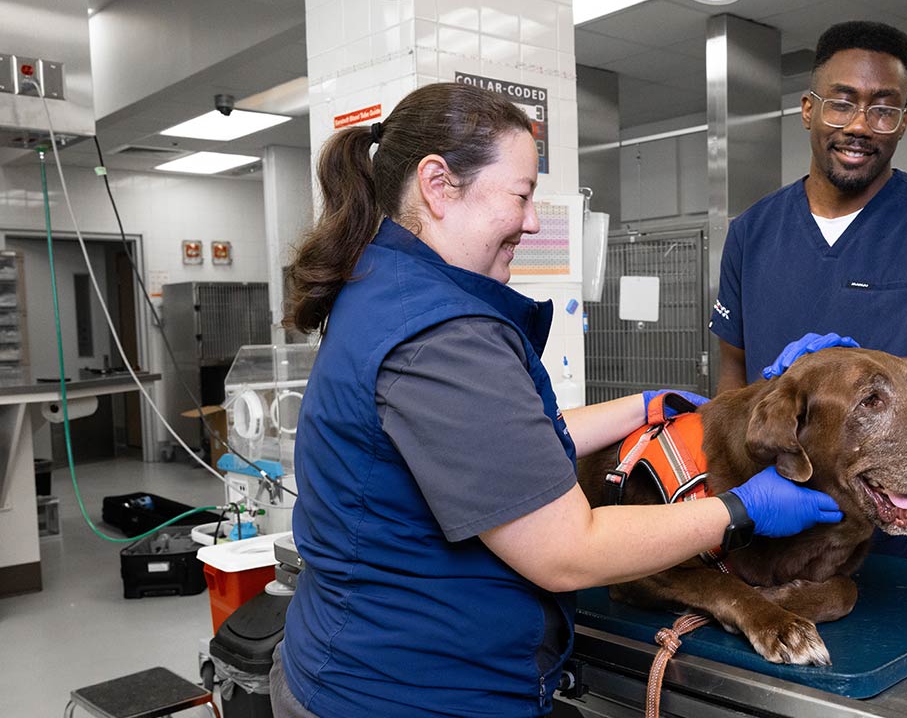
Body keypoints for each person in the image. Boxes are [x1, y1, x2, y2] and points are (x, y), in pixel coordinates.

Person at [271, 83, 844, 718]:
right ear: (437, 185)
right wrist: (742, 509)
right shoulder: (440, 338)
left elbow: (499, 447)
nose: (533, 221)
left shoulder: (385, 287)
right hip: (409, 695)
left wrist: (644, 406)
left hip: (351, 667)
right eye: (520, 195)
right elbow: (568, 551)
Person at [709, 21, 907, 563]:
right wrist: (734, 491)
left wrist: (855, 377)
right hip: (772, 526)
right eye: (841, 104)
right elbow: (732, 371)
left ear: (903, 122)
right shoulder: (751, 232)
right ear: (808, 109)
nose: (860, 126)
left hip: (898, 522)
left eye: (883, 109)